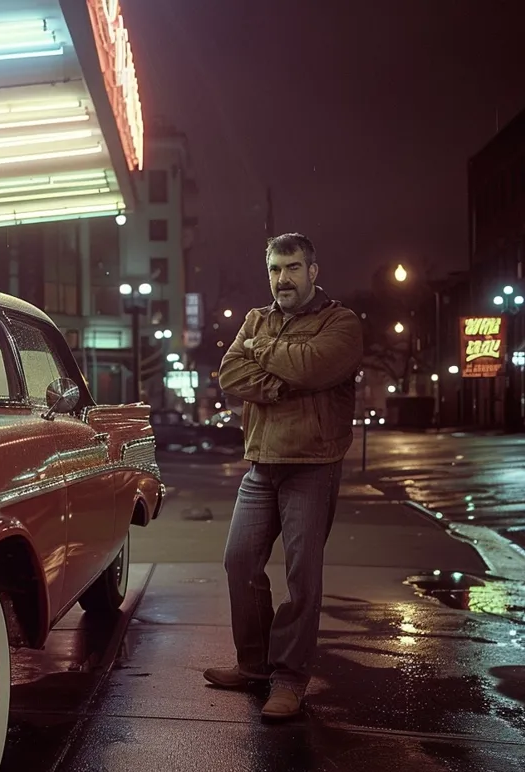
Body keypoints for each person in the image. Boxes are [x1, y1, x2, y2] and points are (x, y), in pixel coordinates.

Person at [203, 232, 364, 720]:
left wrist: (263, 354)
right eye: (275, 269)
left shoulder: (341, 322)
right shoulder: (256, 320)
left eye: (292, 267)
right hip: (261, 464)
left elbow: (316, 366)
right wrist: (279, 384)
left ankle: (290, 678)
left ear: (313, 271)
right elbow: (230, 375)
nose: (282, 278)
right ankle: (254, 665)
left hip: (312, 465)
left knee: (301, 577)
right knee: (238, 562)